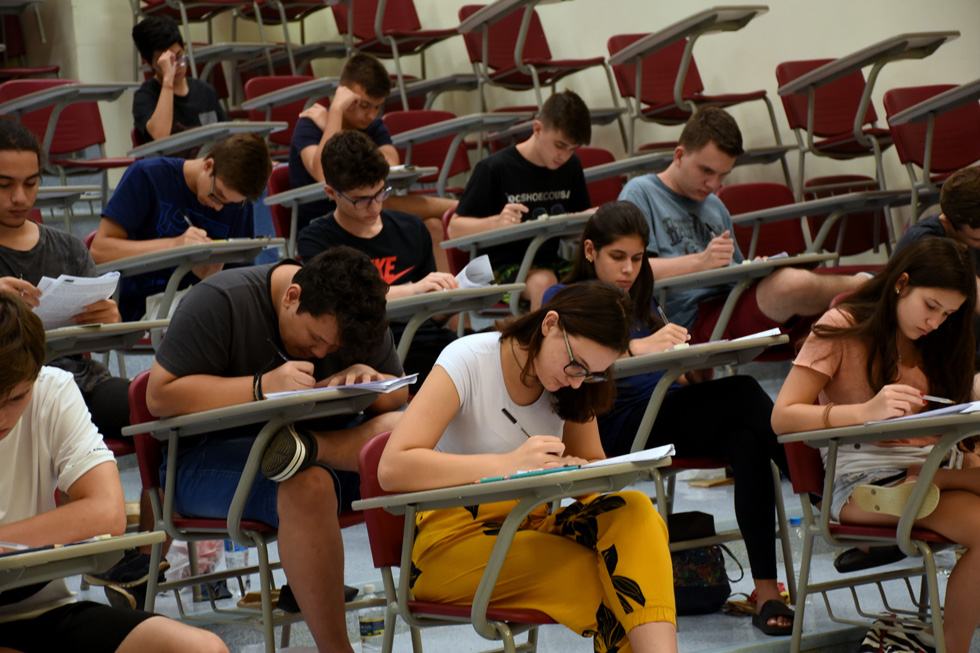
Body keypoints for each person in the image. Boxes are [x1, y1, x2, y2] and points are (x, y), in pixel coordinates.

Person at [378, 282, 678, 653]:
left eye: (593, 373)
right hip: (452, 542)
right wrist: (509, 464)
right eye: (576, 365)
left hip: (531, 525)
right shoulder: (468, 358)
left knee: (636, 512)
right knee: (616, 583)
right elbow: (392, 467)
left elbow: (593, 475)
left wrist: (574, 471)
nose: (576, 380)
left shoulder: (574, 383)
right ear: (550, 323)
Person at [543, 201, 795, 635]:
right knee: (744, 392)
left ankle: (767, 589)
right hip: (612, 426)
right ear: (589, 251)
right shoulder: (563, 300)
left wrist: (693, 360)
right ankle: (817, 486)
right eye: (617, 257)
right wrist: (642, 349)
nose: (628, 269)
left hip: (663, 410)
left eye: (638, 259)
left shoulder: (642, 300)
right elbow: (579, 368)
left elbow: (668, 370)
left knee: (746, 442)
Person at [145, 246, 406, 652]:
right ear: (292, 296)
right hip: (203, 459)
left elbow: (398, 392)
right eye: (316, 339)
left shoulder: (355, 314)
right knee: (309, 484)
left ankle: (309, 447)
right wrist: (260, 386)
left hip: (315, 442)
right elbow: (158, 396)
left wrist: (367, 379)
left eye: (332, 350)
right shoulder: (220, 300)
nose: (321, 354)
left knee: (407, 436)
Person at [771, 238, 980, 653]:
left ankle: (939, 476)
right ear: (901, 283)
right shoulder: (843, 326)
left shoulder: (942, 340)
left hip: (935, 465)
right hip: (864, 481)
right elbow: (783, 415)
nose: (936, 322)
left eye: (949, 313)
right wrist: (865, 410)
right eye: (931, 306)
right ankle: (951, 646)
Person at [0, 292, 227, 653]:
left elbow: (107, 512)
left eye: (16, 398)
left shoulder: (52, 389)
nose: (3, 417)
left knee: (203, 649)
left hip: (44, 610)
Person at [618, 106, 865, 343]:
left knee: (836, 318)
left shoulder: (715, 206)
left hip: (729, 301)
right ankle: (870, 286)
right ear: (680, 155)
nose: (713, 184)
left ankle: (870, 292)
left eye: (723, 175)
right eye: (706, 170)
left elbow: (732, 270)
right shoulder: (641, 192)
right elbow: (629, 269)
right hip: (686, 322)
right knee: (793, 285)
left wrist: (755, 269)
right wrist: (701, 262)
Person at [297, 130, 457, 391]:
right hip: (370, 353)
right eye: (362, 200)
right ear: (331, 192)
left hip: (428, 340)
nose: (375, 207)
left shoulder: (412, 228)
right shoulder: (316, 240)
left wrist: (447, 302)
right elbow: (344, 308)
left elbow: (433, 319)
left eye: (381, 193)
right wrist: (414, 290)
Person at [288, 52, 455, 270]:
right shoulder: (309, 123)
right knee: (373, 198)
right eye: (363, 105)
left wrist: (336, 128)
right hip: (330, 212)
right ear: (342, 93)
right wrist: (336, 113)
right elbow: (324, 172)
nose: (370, 115)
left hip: (370, 208)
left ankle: (442, 296)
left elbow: (388, 164)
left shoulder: (372, 126)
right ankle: (461, 207)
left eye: (377, 107)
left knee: (433, 225)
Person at [90, 132, 273, 322]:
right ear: (208, 165)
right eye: (217, 194)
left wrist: (209, 276)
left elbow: (239, 279)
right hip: (141, 302)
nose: (219, 206)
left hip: (199, 298)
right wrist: (175, 246)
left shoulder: (238, 205)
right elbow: (98, 250)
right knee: (217, 322)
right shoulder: (147, 176)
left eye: (231, 203)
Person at [448, 90, 593, 311]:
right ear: (537, 129)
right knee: (543, 283)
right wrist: (495, 222)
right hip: (494, 269)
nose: (564, 156)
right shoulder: (494, 168)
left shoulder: (571, 165)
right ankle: (539, 344)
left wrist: (589, 219)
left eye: (572, 149)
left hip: (548, 262)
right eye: (560, 145)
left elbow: (578, 227)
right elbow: (454, 228)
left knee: (605, 269)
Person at [893, 167, 980, 362]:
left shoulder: (972, 232)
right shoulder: (926, 242)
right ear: (947, 222)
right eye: (976, 239)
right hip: (934, 356)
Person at [131, 16, 228, 144]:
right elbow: (160, 136)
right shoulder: (144, 97)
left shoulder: (205, 91)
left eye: (179, 57)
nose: (176, 67)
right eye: (166, 62)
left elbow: (226, 136)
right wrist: (168, 80)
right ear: (150, 64)